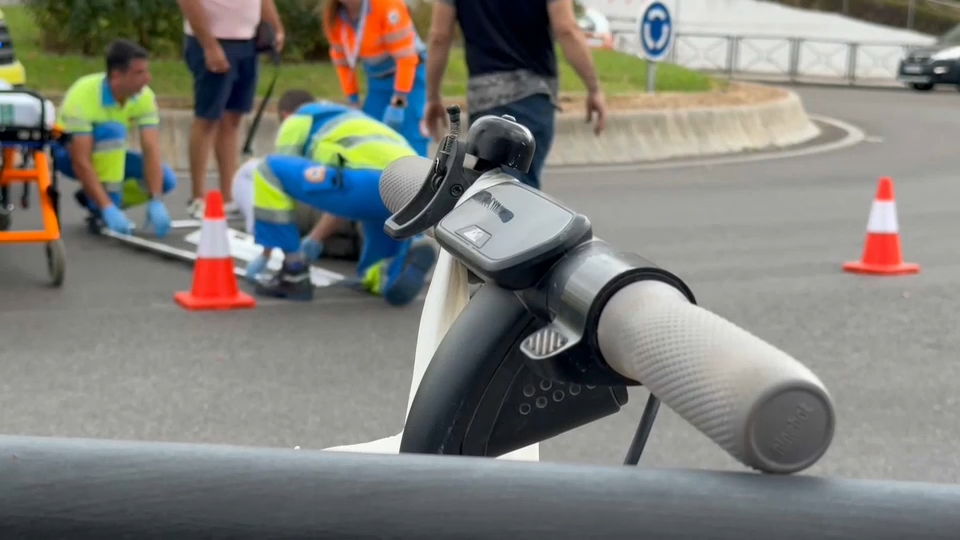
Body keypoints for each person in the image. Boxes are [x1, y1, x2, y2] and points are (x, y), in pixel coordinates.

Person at [250, 98, 437, 304]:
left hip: (370, 184)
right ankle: (388, 274)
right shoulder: (357, 120)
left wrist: (270, 253)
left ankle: (293, 273)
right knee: (372, 259)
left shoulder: (298, 119)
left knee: (268, 170)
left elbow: (287, 179)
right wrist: (315, 239)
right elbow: (344, 196)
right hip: (416, 191)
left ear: (285, 115)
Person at [423, 0, 607, 191]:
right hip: (533, 99)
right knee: (519, 197)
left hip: (485, 101)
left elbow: (440, 36)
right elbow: (566, 29)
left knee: (488, 192)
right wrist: (594, 89)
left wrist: (433, 97)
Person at [52, 39, 174, 237]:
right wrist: (108, 207)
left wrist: (156, 199)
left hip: (110, 154)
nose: (148, 78)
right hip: (67, 155)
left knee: (165, 179)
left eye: (146, 71)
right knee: (113, 132)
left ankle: (94, 198)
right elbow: (80, 160)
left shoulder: (144, 97)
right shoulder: (82, 95)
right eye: (139, 73)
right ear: (117, 75)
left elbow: (151, 149)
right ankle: (105, 206)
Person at [177, 0, 285, 219]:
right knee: (207, 118)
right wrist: (208, 44)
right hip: (213, 40)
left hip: (247, 42)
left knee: (232, 119)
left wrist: (276, 27)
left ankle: (228, 197)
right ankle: (198, 198)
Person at [230, 88, 330, 283]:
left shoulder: (294, 125)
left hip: (311, 206)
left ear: (285, 115)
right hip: (345, 206)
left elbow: (281, 179)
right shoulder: (336, 120)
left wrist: (266, 254)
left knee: (253, 170)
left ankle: (258, 228)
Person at [321, 0, 429, 157]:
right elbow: (343, 62)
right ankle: (380, 178)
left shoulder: (387, 6)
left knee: (411, 131)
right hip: (376, 77)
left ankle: (420, 178)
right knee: (372, 133)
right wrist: (353, 100)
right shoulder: (334, 18)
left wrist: (398, 101)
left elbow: (406, 59)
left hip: (409, 73)